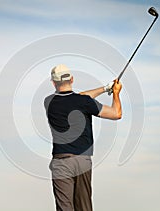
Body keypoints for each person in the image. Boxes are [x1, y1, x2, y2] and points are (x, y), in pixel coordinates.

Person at [44, 64, 122, 211]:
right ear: (72, 79)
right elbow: (116, 113)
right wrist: (115, 93)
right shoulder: (84, 102)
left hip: (61, 163)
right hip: (82, 162)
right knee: (84, 208)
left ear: (53, 82)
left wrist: (106, 88)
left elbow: (78, 98)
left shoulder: (49, 102)